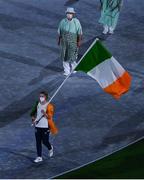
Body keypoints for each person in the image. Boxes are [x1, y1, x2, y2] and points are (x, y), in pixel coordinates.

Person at [30, 91, 58, 163]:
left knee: (45, 141)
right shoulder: (38, 103)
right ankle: (39, 157)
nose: (41, 98)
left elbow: (49, 117)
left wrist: (44, 113)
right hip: (37, 126)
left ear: (46, 97)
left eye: (42, 96)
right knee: (38, 142)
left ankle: (50, 147)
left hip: (45, 126)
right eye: (40, 96)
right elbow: (32, 113)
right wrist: (33, 119)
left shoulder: (50, 106)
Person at [58, 7, 83, 76]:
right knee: (64, 57)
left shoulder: (76, 22)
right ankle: (67, 71)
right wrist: (59, 40)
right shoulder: (62, 21)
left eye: (71, 14)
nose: (69, 15)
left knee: (72, 57)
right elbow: (60, 31)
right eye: (68, 13)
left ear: (73, 14)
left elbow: (80, 32)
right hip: (64, 43)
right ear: (66, 14)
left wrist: (79, 41)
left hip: (73, 42)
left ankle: (74, 68)